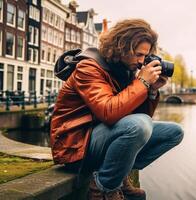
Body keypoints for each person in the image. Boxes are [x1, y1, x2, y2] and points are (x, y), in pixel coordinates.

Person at [50, 19, 184, 200]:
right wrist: (142, 82)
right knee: (139, 125)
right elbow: (109, 112)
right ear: (121, 47)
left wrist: (151, 90)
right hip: (76, 146)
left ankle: (119, 174)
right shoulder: (88, 67)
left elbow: (141, 118)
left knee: (174, 132)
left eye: (145, 56)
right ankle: (103, 188)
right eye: (138, 55)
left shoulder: (124, 70)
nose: (141, 62)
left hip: (101, 138)